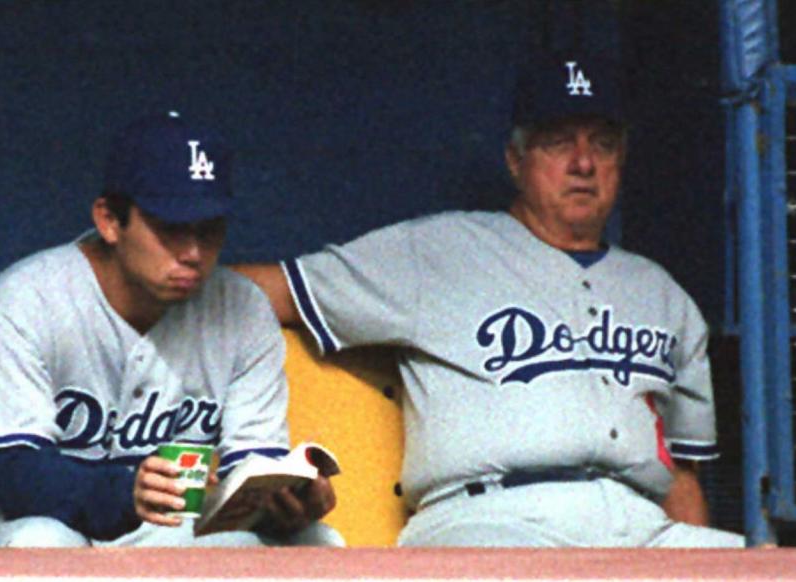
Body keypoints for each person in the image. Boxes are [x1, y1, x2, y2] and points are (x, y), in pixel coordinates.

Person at [236, 53, 745, 547]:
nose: (584, 163)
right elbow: (265, 291)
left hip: (639, 527)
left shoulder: (665, 296)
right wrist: (161, 284)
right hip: (490, 521)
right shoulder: (436, 252)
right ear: (515, 161)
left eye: (604, 145)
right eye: (559, 143)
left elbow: (680, 478)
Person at [0, 112, 342, 548]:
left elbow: (248, 468)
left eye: (209, 230)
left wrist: (285, 500)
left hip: (165, 531)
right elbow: (17, 478)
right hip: (8, 526)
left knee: (317, 541)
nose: (193, 253)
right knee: (45, 541)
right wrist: (125, 491)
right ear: (110, 220)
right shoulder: (24, 302)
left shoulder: (242, 310)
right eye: (171, 228)